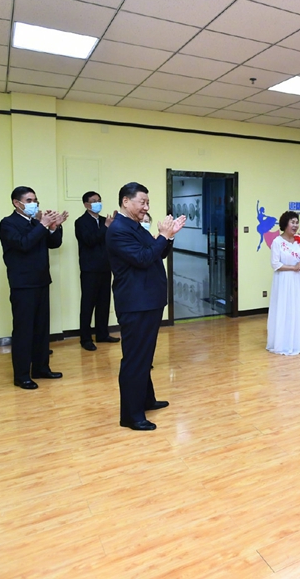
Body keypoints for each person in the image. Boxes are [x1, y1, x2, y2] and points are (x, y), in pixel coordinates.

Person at [106, 183, 184, 431]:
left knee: (145, 356)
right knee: (135, 359)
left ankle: (146, 399)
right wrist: (163, 236)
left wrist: (169, 237)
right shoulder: (119, 229)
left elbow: (156, 253)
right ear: (125, 201)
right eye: (142, 202)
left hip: (148, 301)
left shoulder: (135, 226)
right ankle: (131, 415)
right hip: (135, 303)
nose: (146, 207)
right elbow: (143, 258)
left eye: (148, 202)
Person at [0, 186, 67, 390]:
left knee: (41, 329)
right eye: (29, 200)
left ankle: (41, 368)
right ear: (16, 203)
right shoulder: (8, 223)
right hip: (23, 285)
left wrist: (54, 227)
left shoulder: (37, 223)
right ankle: (21, 375)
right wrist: (43, 224)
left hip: (42, 281)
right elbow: (24, 244)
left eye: (35, 200)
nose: (34, 204)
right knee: (24, 330)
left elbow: (54, 244)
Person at [74, 191, 119, 351]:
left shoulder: (104, 220)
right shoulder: (81, 222)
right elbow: (89, 240)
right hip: (89, 269)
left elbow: (112, 240)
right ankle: (85, 338)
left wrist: (114, 223)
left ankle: (102, 334)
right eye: (94, 201)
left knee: (104, 302)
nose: (97, 203)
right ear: (86, 204)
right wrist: (106, 227)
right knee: (88, 304)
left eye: (99, 200)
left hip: (106, 267)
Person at [266, 211, 300, 356]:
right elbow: (275, 264)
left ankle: (299, 341)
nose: (295, 225)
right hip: (284, 280)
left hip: (298, 280)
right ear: (285, 224)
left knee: (297, 308)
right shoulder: (277, 242)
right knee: (285, 309)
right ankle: (283, 343)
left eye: (297, 222)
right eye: (292, 222)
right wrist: (293, 268)